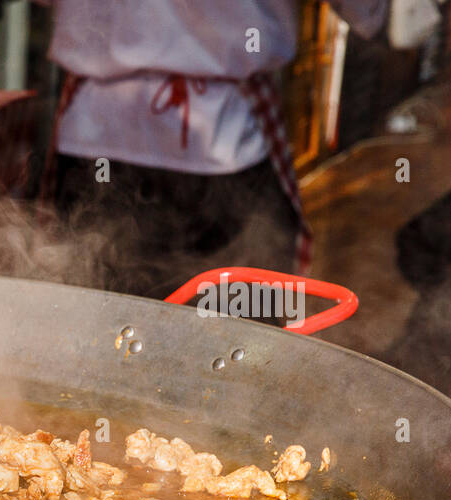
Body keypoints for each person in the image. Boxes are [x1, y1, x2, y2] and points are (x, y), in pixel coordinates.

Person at [41, 0, 389, 306]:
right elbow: (374, 14)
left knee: (88, 332)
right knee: (237, 341)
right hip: (224, 147)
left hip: (95, 138)